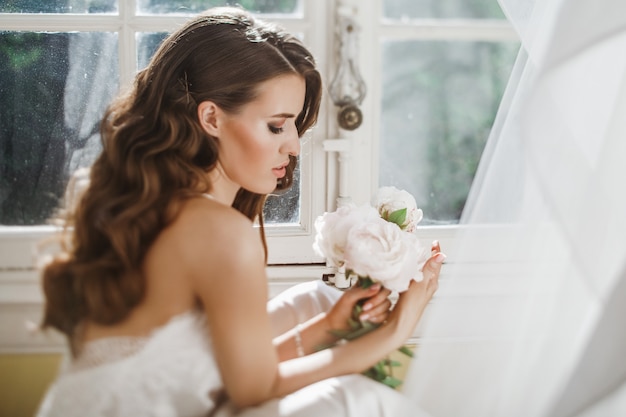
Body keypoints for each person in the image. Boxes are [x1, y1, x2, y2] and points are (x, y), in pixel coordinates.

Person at [35, 7, 445, 417]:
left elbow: (214, 376)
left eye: (294, 126)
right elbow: (253, 390)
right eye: (275, 126)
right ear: (211, 117)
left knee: (314, 305)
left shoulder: (146, 203)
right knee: (353, 398)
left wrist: (327, 329)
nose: (294, 146)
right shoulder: (219, 232)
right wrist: (396, 331)